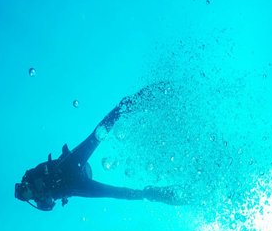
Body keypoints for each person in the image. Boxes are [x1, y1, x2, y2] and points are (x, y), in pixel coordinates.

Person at [14, 84, 182, 212]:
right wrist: (44, 198)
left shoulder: (31, 175)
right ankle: (156, 194)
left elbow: (46, 167)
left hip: (67, 167)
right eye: (24, 193)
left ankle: (126, 105)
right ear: (27, 199)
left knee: (96, 136)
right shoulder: (38, 201)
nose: (25, 189)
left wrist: (38, 180)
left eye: (22, 188)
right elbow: (49, 207)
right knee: (113, 193)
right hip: (75, 185)